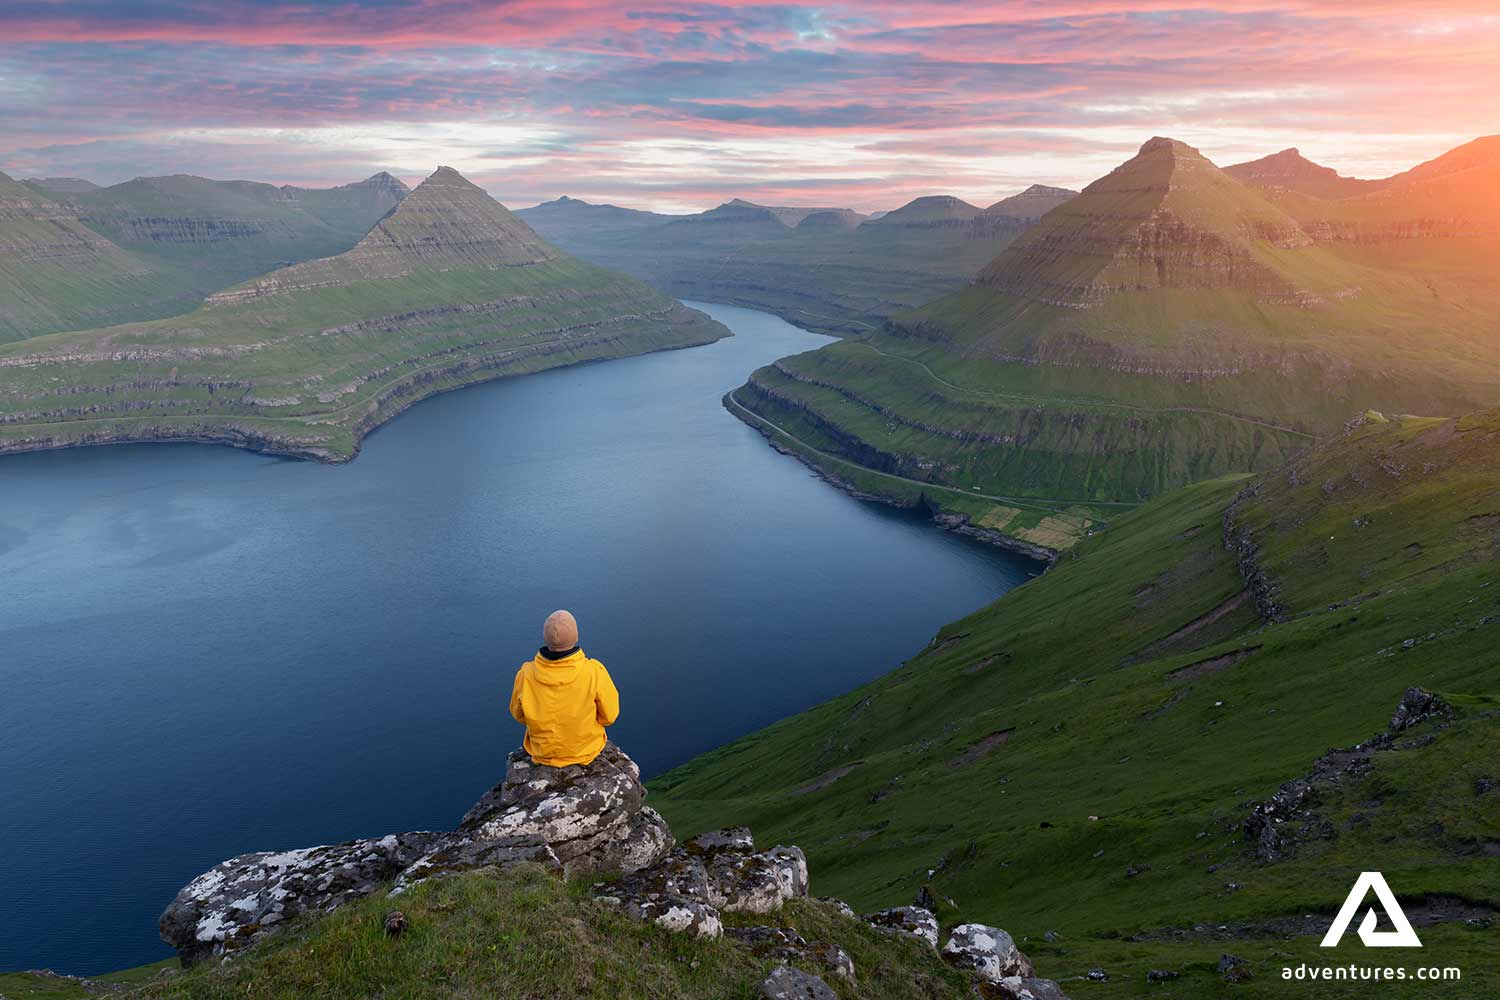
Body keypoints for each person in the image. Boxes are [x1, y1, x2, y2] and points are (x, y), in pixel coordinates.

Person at [509, 609, 620, 767]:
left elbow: (518, 714)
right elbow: (609, 716)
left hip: (542, 752)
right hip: (585, 749)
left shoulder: (526, 674)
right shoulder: (593, 671)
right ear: (576, 637)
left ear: (545, 637)